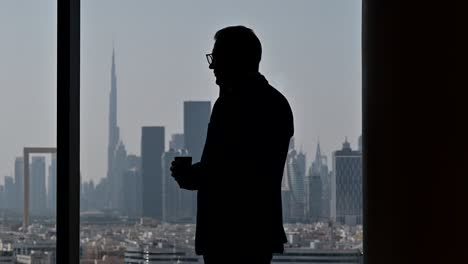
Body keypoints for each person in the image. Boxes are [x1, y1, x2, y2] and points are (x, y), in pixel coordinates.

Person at [171, 25, 294, 264]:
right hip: (256, 233)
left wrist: (190, 176)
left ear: (235, 59)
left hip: (227, 233)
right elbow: (246, 166)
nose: (212, 66)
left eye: (216, 58)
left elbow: (229, 169)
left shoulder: (231, 105)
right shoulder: (276, 103)